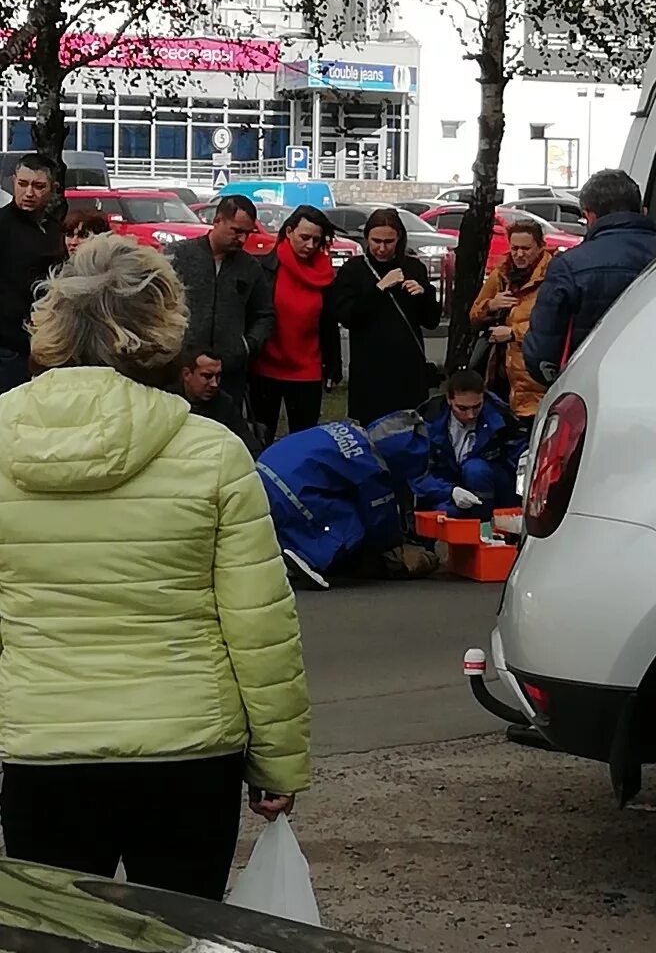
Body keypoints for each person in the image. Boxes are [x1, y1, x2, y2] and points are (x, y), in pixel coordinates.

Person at [0, 235, 309, 902]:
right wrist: (279, 758)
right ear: (163, 326)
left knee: (55, 944)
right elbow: (259, 626)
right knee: (182, 936)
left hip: (43, 746)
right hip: (188, 750)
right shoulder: (213, 451)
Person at [257, 410, 432, 591]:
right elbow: (380, 519)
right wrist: (396, 544)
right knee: (353, 521)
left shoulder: (347, 429)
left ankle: (280, 548)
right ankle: (308, 557)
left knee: (313, 506)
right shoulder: (372, 467)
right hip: (292, 488)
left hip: (264, 469)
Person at [523, 169, 656, 387]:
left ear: (590, 216)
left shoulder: (569, 266)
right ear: (641, 211)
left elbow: (542, 352)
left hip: (590, 388)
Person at [333, 207, 442, 426]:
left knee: (409, 431)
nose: (382, 248)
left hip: (408, 368)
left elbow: (431, 321)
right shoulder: (354, 270)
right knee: (372, 430)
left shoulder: (413, 267)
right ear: (366, 239)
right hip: (370, 369)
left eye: (389, 241)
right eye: (376, 241)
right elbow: (347, 316)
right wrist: (380, 287)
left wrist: (424, 294)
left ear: (399, 239)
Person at [169, 195, 274, 408]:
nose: (243, 240)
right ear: (217, 221)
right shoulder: (179, 256)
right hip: (181, 371)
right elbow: (156, 304)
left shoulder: (250, 267)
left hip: (229, 375)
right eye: (237, 231)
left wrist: (247, 347)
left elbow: (265, 314)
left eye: (248, 233)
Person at [250, 205, 342, 442]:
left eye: (316, 239)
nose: (310, 245)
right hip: (265, 368)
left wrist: (333, 364)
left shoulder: (325, 274)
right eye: (304, 237)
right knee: (261, 436)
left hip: (307, 371)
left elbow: (329, 324)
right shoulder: (264, 268)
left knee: (304, 441)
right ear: (289, 231)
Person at [470, 220, 552, 432]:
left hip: (533, 378)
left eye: (525, 248)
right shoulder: (501, 274)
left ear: (540, 246)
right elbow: (474, 316)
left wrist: (513, 333)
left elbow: (553, 326)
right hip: (498, 372)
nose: (519, 254)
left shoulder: (553, 276)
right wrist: (492, 304)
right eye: (514, 248)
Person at [412, 369, 526, 519]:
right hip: (445, 489)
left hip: (491, 487)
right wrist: (450, 491)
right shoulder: (428, 422)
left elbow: (520, 453)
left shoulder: (501, 417)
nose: (470, 415)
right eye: (463, 408)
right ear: (449, 399)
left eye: (476, 406)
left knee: (475, 469)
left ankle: (484, 527)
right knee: (446, 515)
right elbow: (417, 473)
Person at [0, 153, 66, 393]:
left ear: (52, 188)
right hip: (8, 348)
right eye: (22, 184)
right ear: (13, 181)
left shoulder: (53, 228)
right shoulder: (3, 226)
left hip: (46, 342)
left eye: (38, 186)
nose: (29, 193)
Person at [179, 347, 264, 456]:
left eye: (218, 376)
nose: (214, 383)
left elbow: (246, 441)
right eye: (207, 376)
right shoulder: (169, 401)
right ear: (187, 374)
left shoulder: (224, 403)